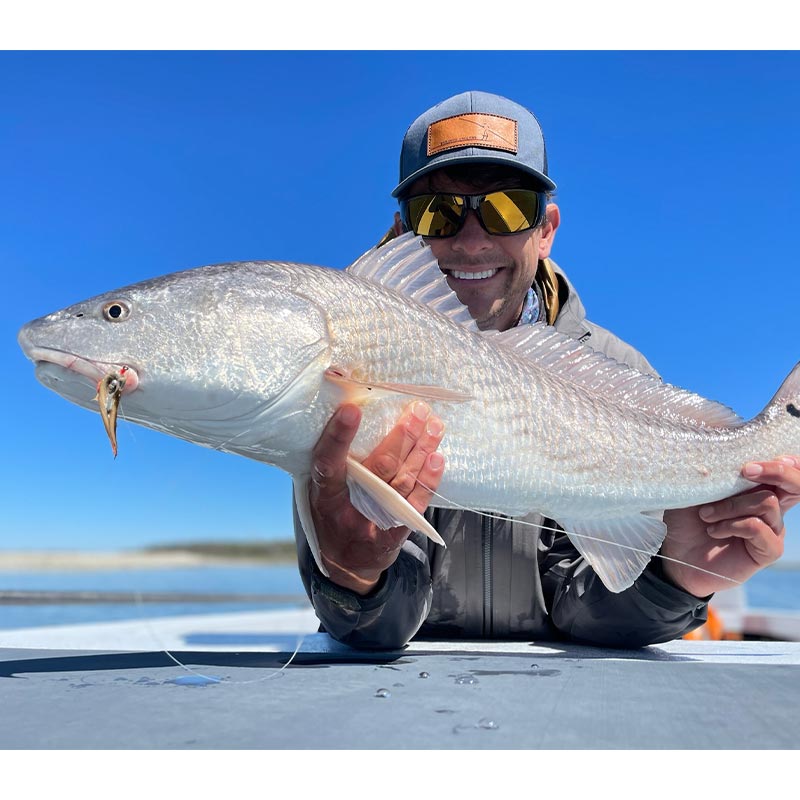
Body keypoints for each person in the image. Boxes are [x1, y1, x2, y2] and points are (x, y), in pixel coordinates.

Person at [293, 90, 800, 649]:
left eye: (507, 208)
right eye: (436, 214)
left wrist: (678, 578)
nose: (471, 240)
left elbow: (584, 614)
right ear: (401, 230)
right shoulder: (347, 366)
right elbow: (381, 629)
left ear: (547, 228)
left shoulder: (620, 372)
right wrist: (354, 579)